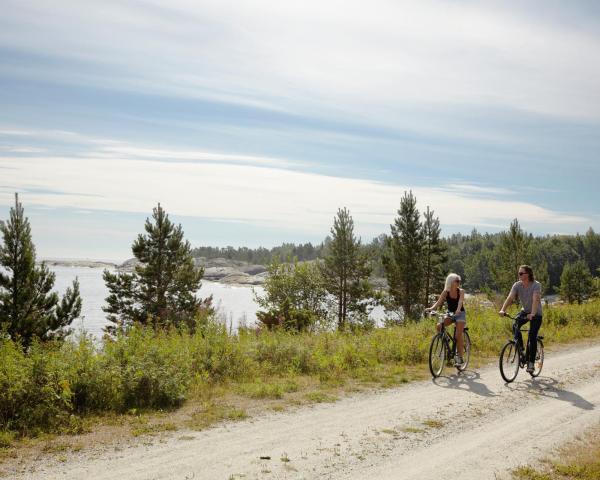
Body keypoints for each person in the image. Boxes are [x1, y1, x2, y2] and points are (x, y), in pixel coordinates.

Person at [499, 265, 543, 373]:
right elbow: (510, 297)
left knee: (532, 336)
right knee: (515, 325)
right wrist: (502, 309)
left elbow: (535, 300)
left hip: (536, 313)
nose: (519, 275)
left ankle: (531, 363)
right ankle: (521, 349)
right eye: (519, 273)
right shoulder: (517, 285)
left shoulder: (536, 285)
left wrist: (532, 314)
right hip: (525, 311)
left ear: (528, 274)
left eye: (521, 273)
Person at [425, 273, 466, 366]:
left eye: (459, 281)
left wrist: (458, 310)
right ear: (451, 282)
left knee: (457, 336)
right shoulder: (445, 292)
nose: (459, 282)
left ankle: (460, 358)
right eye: (457, 281)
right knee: (439, 326)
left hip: (460, 314)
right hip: (450, 313)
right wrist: (431, 309)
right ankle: (446, 340)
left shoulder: (461, 291)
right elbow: (438, 302)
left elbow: (460, 302)